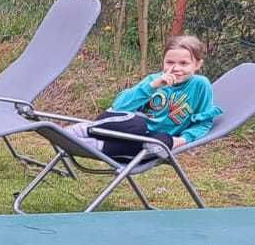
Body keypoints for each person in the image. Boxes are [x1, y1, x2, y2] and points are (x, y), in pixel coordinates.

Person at [65, 34, 222, 160]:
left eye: (184, 63)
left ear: (197, 65)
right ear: (163, 62)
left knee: (161, 143)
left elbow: (203, 123)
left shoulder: (201, 85)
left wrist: (180, 141)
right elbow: (119, 106)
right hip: (120, 125)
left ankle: (93, 146)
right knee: (138, 124)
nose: (176, 68)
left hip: (146, 140)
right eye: (170, 62)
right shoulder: (154, 80)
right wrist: (152, 86)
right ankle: (81, 131)